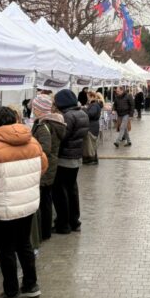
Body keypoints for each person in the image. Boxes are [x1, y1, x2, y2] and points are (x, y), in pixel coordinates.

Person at [0, 107, 48, 298]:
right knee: (24, 244)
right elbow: (43, 167)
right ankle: (31, 284)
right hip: (28, 203)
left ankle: (11, 293)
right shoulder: (32, 141)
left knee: (6, 249)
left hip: (3, 206)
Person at [53, 90, 89, 234]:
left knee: (61, 192)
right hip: (76, 157)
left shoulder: (67, 116)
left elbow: (62, 137)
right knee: (72, 189)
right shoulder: (82, 113)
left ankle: (63, 224)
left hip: (65, 158)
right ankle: (74, 221)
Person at [31, 94, 66, 241]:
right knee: (46, 198)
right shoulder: (50, 123)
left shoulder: (44, 126)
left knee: (44, 200)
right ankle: (45, 230)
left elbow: (45, 148)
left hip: (45, 167)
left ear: (40, 109)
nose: (33, 110)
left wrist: (31, 149)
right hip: (50, 165)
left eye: (34, 107)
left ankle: (44, 231)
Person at [83, 91, 103, 164]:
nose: (87, 98)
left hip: (92, 126)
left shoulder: (94, 105)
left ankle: (92, 160)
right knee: (90, 143)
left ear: (92, 97)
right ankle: (91, 159)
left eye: (88, 97)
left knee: (90, 144)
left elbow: (91, 114)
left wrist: (84, 109)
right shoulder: (94, 104)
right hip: (93, 125)